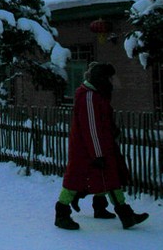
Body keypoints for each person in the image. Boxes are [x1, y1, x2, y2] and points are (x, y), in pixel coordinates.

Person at [55, 62, 148, 231]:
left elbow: (101, 120)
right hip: (86, 150)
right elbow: (91, 128)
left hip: (100, 146)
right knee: (74, 180)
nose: (113, 81)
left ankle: (121, 213)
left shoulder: (96, 95)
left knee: (110, 177)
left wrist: (111, 130)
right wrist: (97, 154)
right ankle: (61, 213)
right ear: (102, 79)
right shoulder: (88, 96)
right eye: (110, 78)